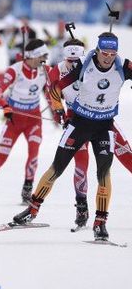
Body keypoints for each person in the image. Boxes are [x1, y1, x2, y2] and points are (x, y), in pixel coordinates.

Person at [13, 32, 132, 241]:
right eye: (105, 53)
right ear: (97, 50)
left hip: (105, 126)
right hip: (79, 124)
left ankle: (100, 223)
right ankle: (32, 210)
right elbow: (56, 88)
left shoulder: (123, 66)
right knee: (56, 168)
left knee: (104, 173)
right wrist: (59, 111)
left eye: (113, 53)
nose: (108, 58)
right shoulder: (84, 65)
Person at [48, 37, 132, 229]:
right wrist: (60, 113)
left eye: (77, 59)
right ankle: (82, 206)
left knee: (126, 156)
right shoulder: (57, 71)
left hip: (102, 119)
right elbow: (53, 94)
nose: (73, 63)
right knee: (81, 165)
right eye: (70, 60)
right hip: (78, 121)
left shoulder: (89, 63)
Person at [0, 39, 50, 204]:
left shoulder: (45, 70)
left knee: (33, 153)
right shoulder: (15, 70)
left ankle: (27, 192)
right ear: (33, 56)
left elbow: (52, 91)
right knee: (1, 157)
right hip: (14, 120)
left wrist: (58, 109)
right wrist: (6, 106)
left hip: (34, 120)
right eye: (43, 56)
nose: (45, 59)